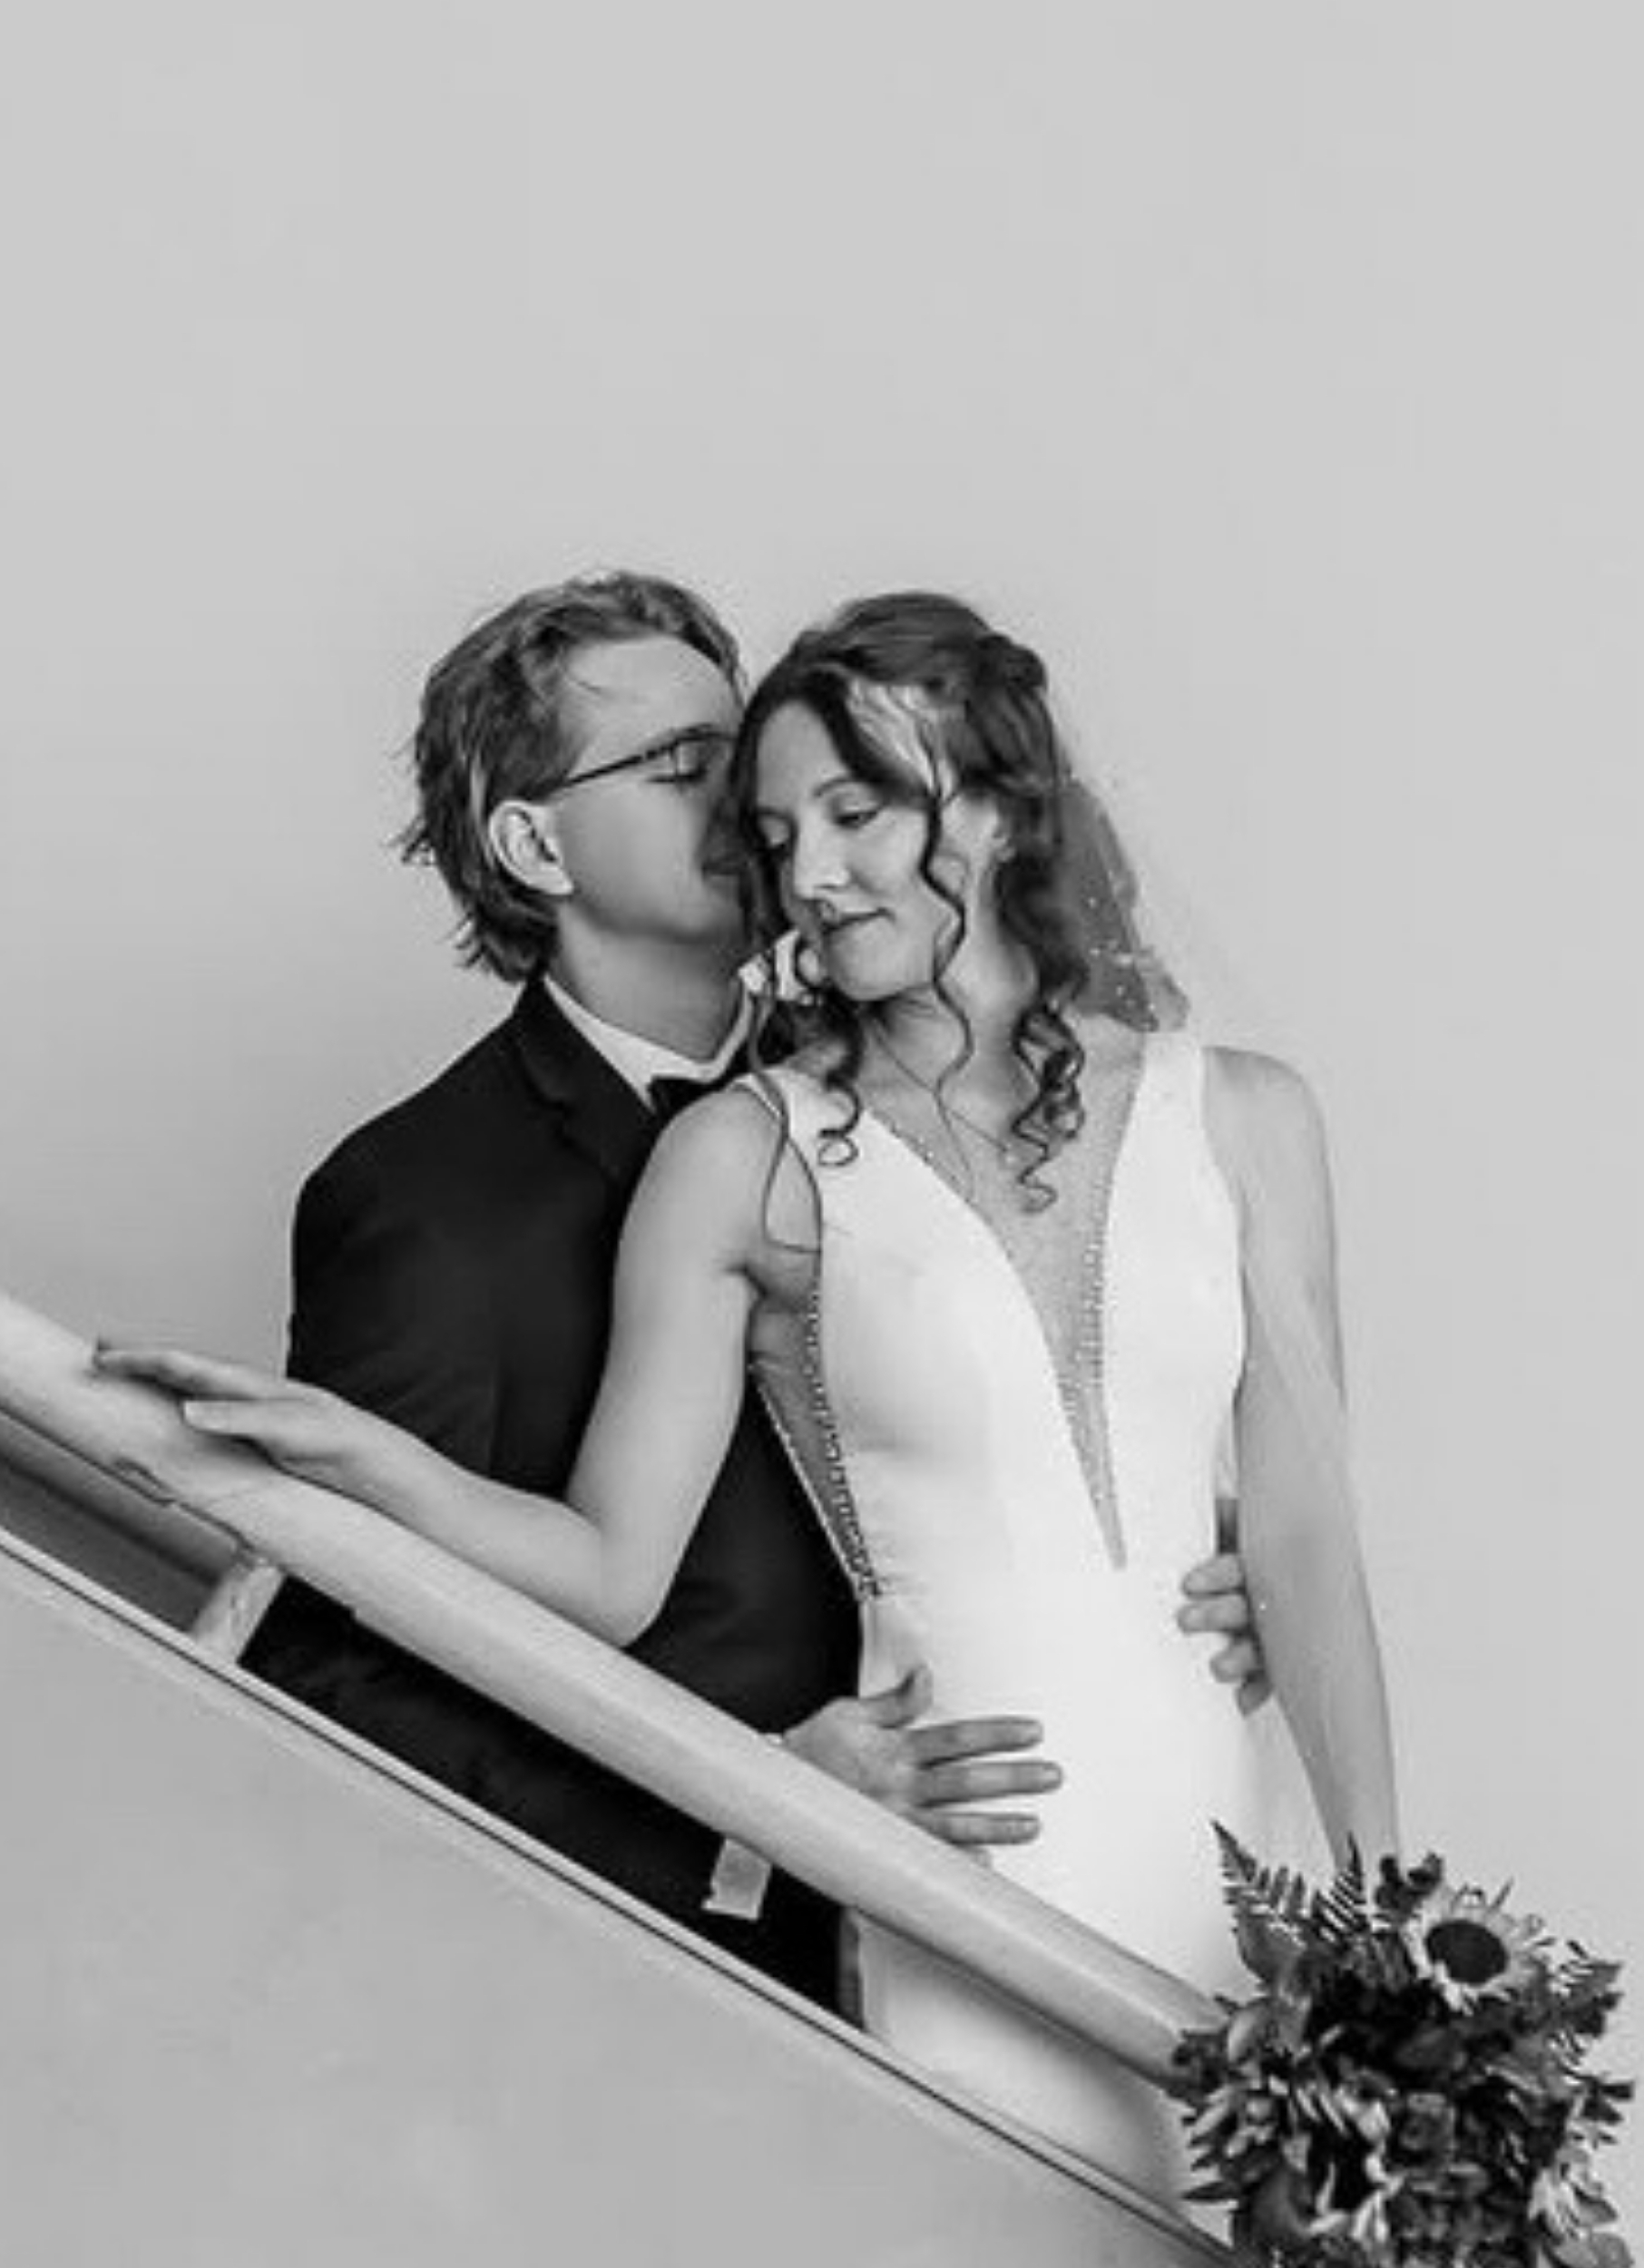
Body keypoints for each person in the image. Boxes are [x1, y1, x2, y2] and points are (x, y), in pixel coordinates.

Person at [115, 591, 1397, 2198]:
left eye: (818, 804)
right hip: (826, 1911)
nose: (777, 848)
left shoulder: (1203, 1111)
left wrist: (1224, 1578)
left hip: (1209, 1815)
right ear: (532, 846)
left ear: (995, 808)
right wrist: (760, 1788)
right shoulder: (457, 1197)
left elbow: (1271, 1506)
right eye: (702, 778)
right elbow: (397, 1672)